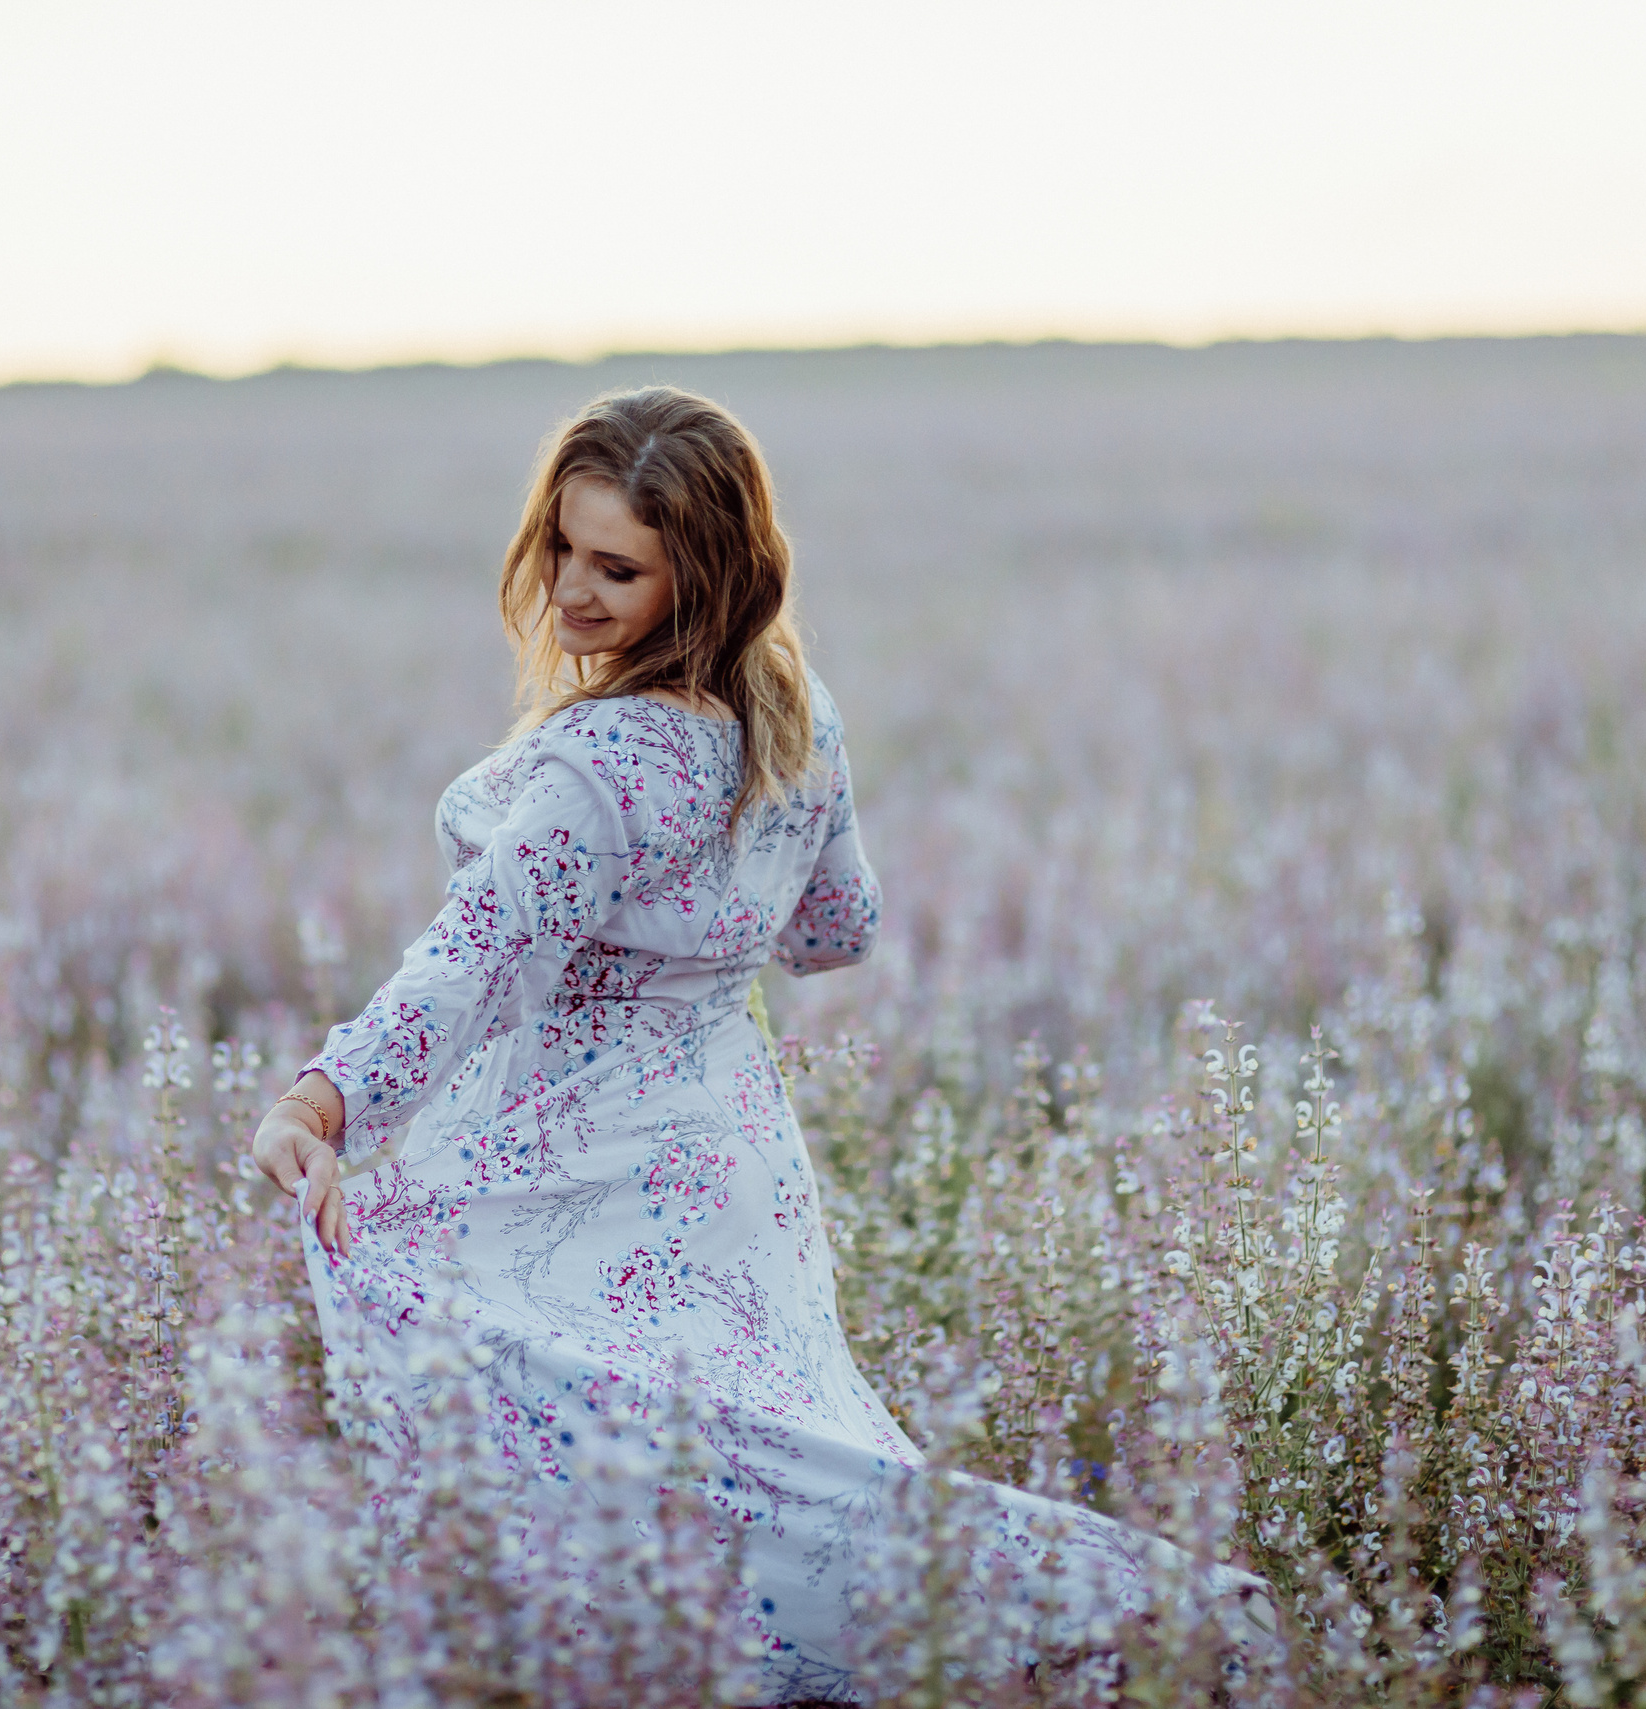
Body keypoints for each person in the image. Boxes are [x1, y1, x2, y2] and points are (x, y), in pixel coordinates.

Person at [250, 386, 1275, 1701]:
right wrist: (714, 927)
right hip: (736, 1167)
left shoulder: (596, 765)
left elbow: (468, 961)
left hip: (576, 1167)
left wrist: (326, 1098)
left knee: (564, 1476)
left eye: (617, 567)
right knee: (781, 1469)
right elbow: (837, 929)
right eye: (560, 546)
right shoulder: (798, 711)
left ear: (707, 580)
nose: (568, 589)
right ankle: (1073, 1625)